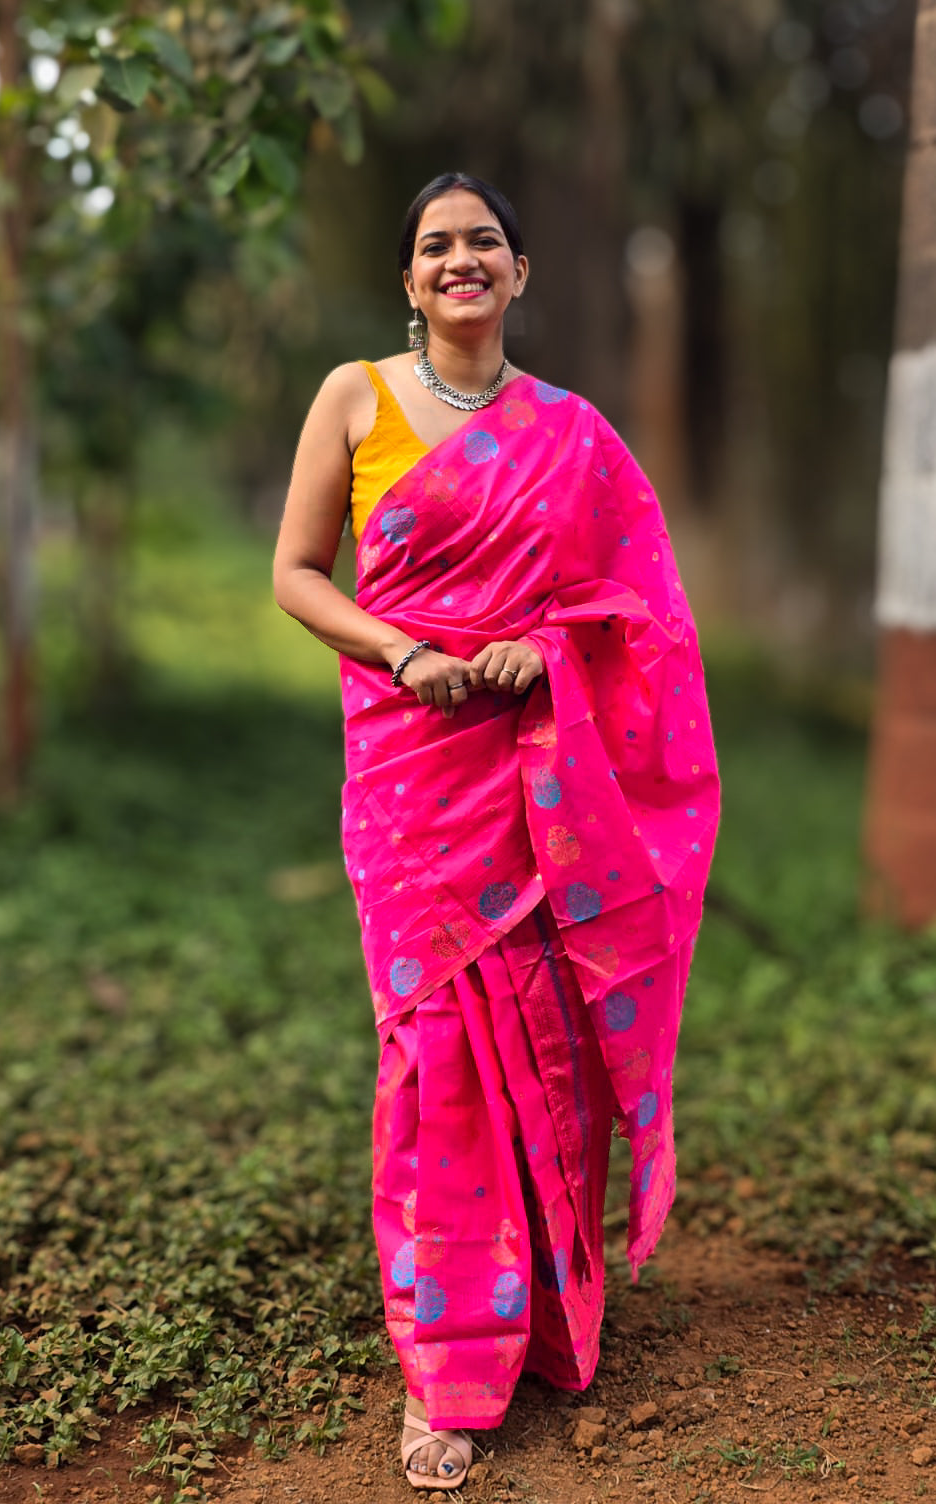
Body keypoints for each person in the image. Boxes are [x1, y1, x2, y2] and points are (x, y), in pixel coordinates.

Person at [273, 171, 720, 1491]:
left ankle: (538, 1323)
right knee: (432, 1057)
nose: (459, 260)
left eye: (483, 242)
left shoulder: (574, 435)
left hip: (540, 776)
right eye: (434, 247)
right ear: (407, 281)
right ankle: (445, 1367)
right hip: (410, 771)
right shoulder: (354, 396)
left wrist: (543, 647)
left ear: (520, 273)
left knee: (546, 1037)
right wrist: (407, 655)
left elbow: (635, 614)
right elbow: (298, 573)